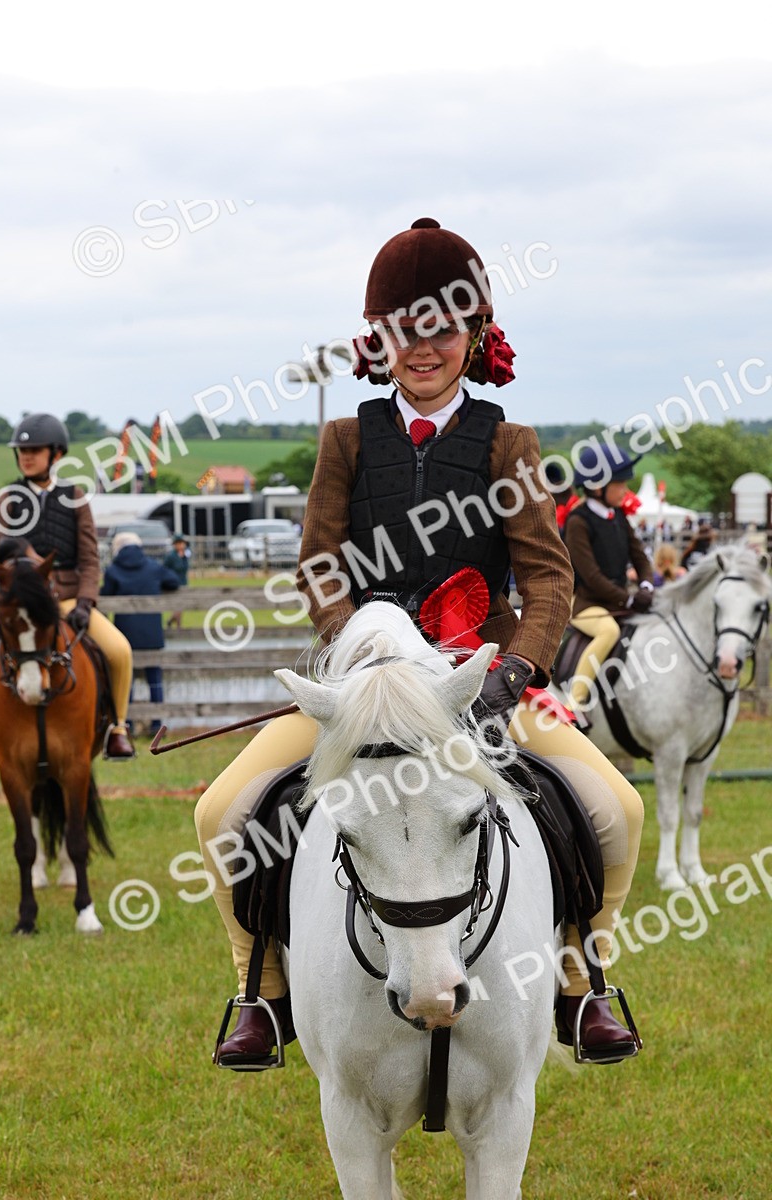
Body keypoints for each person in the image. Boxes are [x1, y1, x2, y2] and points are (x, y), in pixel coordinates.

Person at [195, 217, 644, 1067]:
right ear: (382, 339)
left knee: (617, 810)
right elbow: (321, 568)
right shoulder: (348, 440)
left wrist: (512, 672)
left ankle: (583, 986)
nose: (422, 346)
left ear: (473, 336)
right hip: (367, 685)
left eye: (440, 328)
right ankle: (263, 994)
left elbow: (547, 578)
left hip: (479, 679)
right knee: (221, 813)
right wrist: (360, 648)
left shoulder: (507, 443)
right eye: (405, 329)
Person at [0, 414, 134, 758]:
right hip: (16, 605)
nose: (26, 456)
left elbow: (90, 560)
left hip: (67, 600)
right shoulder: (6, 501)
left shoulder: (76, 498)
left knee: (119, 651)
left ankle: (117, 729)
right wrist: (1, 600)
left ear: (56, 454)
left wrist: (85, 603)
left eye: (35, 449)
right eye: (22, 450)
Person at [563, 447, 655, 711]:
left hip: (617, 602)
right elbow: (591, 576)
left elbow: (640, 557)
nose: (625, 490)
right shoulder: (578, 522)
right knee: (609, 631)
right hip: (586, 604)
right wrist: (627, 597)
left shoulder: (619, 517)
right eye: (620, 484)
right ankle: (575, 702)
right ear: (597, 486)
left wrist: (646, 585)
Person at [101, 531, 181, 732]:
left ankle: (126, 723)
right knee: (155, 679)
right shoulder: (153, 567)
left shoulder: (112, 571)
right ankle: (156, 724)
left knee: (126, 679)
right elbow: (173, 581)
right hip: (151, 634)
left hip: (124, 635)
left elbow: (105, 597)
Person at [163, 535, 190, 629]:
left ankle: (172, 622)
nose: (181, 545)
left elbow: (185, 568)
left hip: (184, 582)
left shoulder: (185, 555)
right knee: (178, 606)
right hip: (174, 583)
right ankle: (178, 626)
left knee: (181, 606)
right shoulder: (171, 556)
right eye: (179, 543)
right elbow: (165, 569)